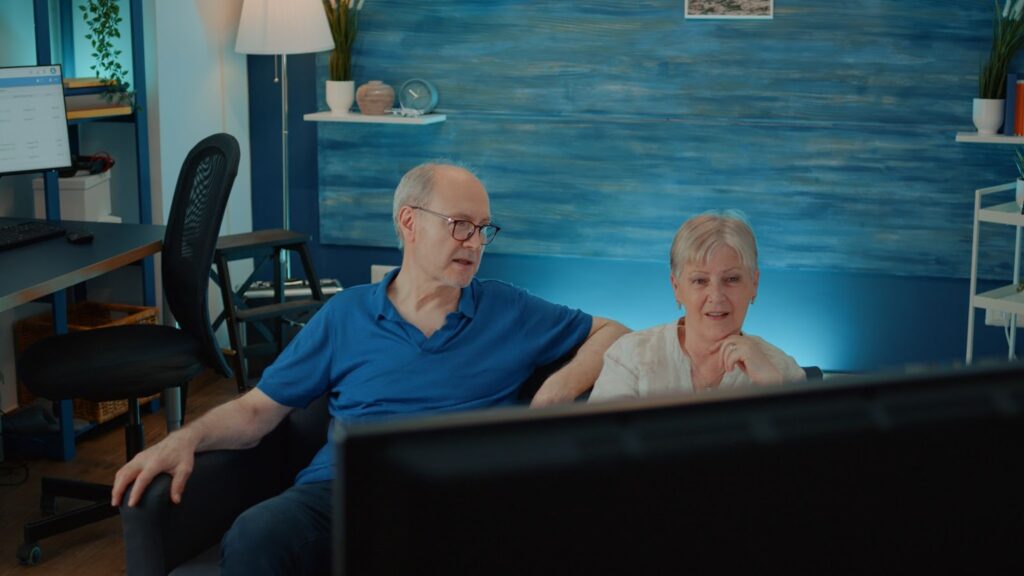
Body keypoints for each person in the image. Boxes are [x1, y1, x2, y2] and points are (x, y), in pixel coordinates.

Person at [111, 162, 628, 574]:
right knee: (256, 533)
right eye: (460, 226)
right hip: (340, 494)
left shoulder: (507, 309)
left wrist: (557, 389)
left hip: (456, 496)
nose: (474, 242)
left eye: (483, 230)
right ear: (409, 222)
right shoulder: (346, 314)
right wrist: (185, 438)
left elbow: (613, 332)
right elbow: (255, 413)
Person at [589, 210, 803, 402]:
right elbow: (599, 443)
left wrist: (774, 388)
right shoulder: (630, 356)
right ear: (676, 287)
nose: (716, 296)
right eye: (700, 281)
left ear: (754, 284)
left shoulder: (782, 370)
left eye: (732, 279)